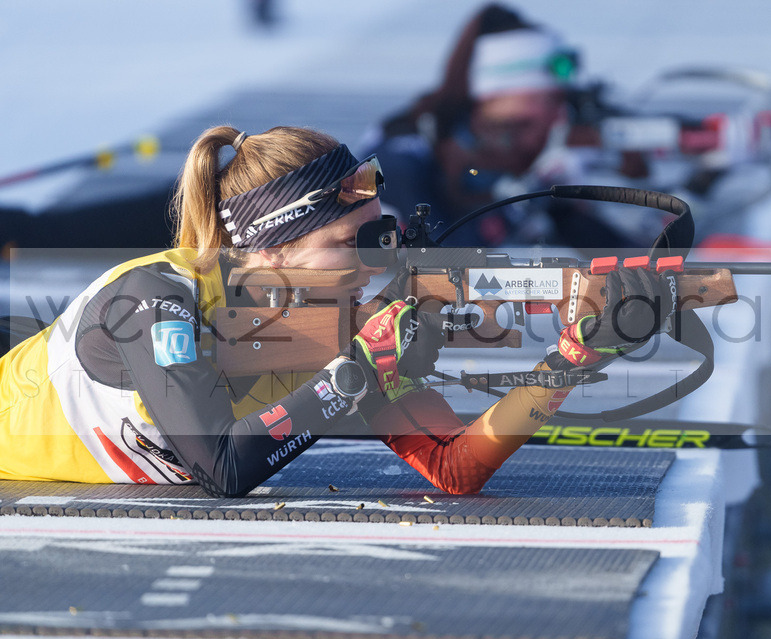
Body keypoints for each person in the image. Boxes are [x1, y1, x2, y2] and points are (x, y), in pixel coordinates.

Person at [0, 125, 673, 497]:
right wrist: (353, 376)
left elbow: (456, 466)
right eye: (345, 244)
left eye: (377, 239)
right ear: (266, 252)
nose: (374, 264)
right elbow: (225, 468)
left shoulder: (334, 328)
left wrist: (573, 359)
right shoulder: (152, 300)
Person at [360, 3, 639, 248]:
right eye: (546, 99)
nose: (559, 114)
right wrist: (535, 188)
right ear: (499, 94)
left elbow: (609, 245)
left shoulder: (505, 153)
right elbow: (443, 255)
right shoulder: (400, 154)